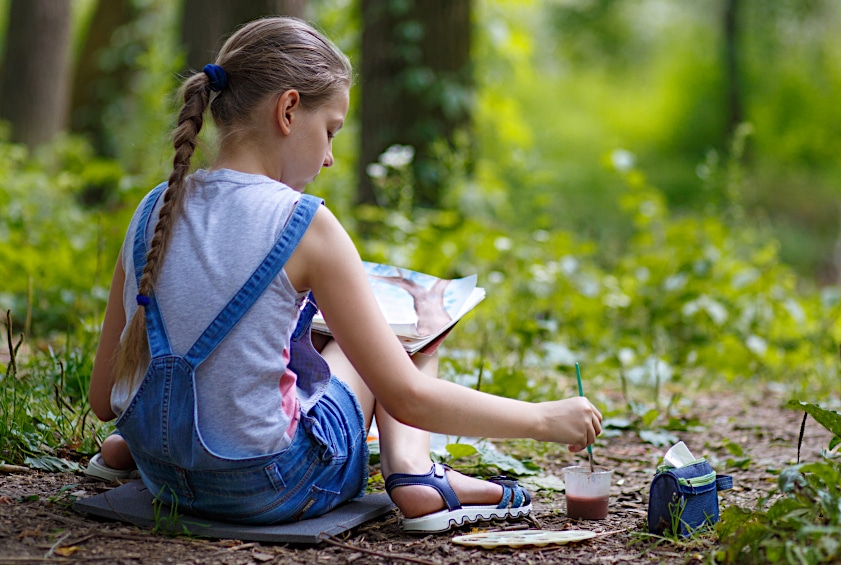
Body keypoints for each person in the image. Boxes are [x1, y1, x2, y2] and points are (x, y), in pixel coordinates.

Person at [86, 16, 603, 533]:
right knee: (410, 337)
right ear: (288, 110)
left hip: (166, 479)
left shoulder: (154, 207)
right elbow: (407, 397)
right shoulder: (304, 223)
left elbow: (102, 396)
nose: (331, 157)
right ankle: (416, 474)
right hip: (271, 486)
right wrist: (545, 419)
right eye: (330, 130)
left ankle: (136, 446)